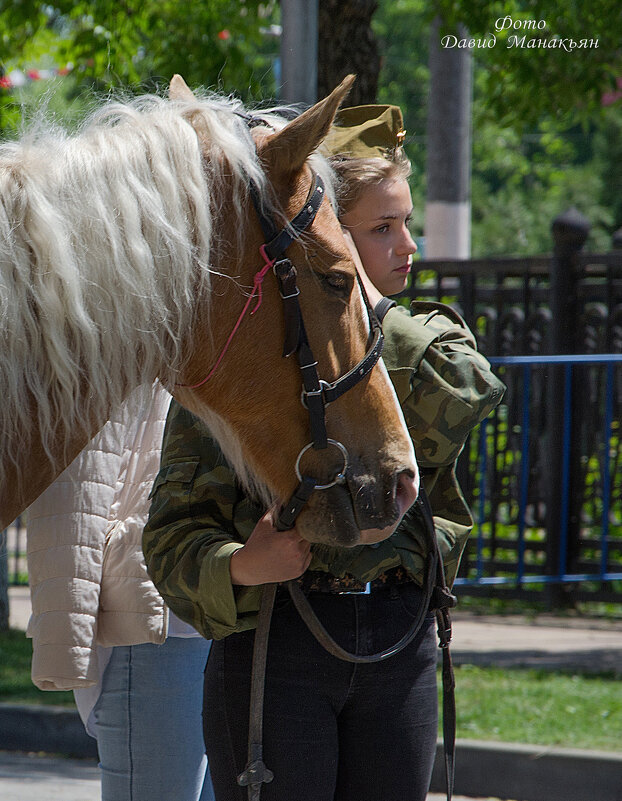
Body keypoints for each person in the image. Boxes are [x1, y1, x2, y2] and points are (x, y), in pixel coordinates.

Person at [143, 105, 505, 801]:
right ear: (319, 232)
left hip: (399, 640)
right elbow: (171, 540)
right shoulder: (247, 367)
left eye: (407, 222)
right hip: (279, 643)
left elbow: (467, 388)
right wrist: (243, 563)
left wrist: (352, 299)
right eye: (380, 227)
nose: (408, 245)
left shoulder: (414, 340)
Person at [26, 381, 214, 801]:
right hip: (152, 619)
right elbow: (75, 492)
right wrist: (67, 641)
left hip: (226, 610)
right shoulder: (126, 337)